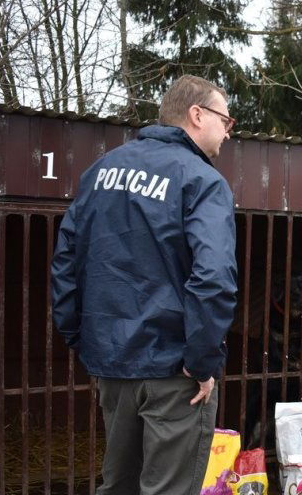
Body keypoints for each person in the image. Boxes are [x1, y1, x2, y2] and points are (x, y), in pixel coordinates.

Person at [50, 75, 238, 495]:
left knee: (118, 485)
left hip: (113, 364)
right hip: (175, 373)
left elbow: (66, 261)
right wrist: (202, 362)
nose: (228, 132)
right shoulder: (202, 181)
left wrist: (80, 337)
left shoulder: (100, 171)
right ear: (197, 115)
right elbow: (213, 278)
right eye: (226, 120)